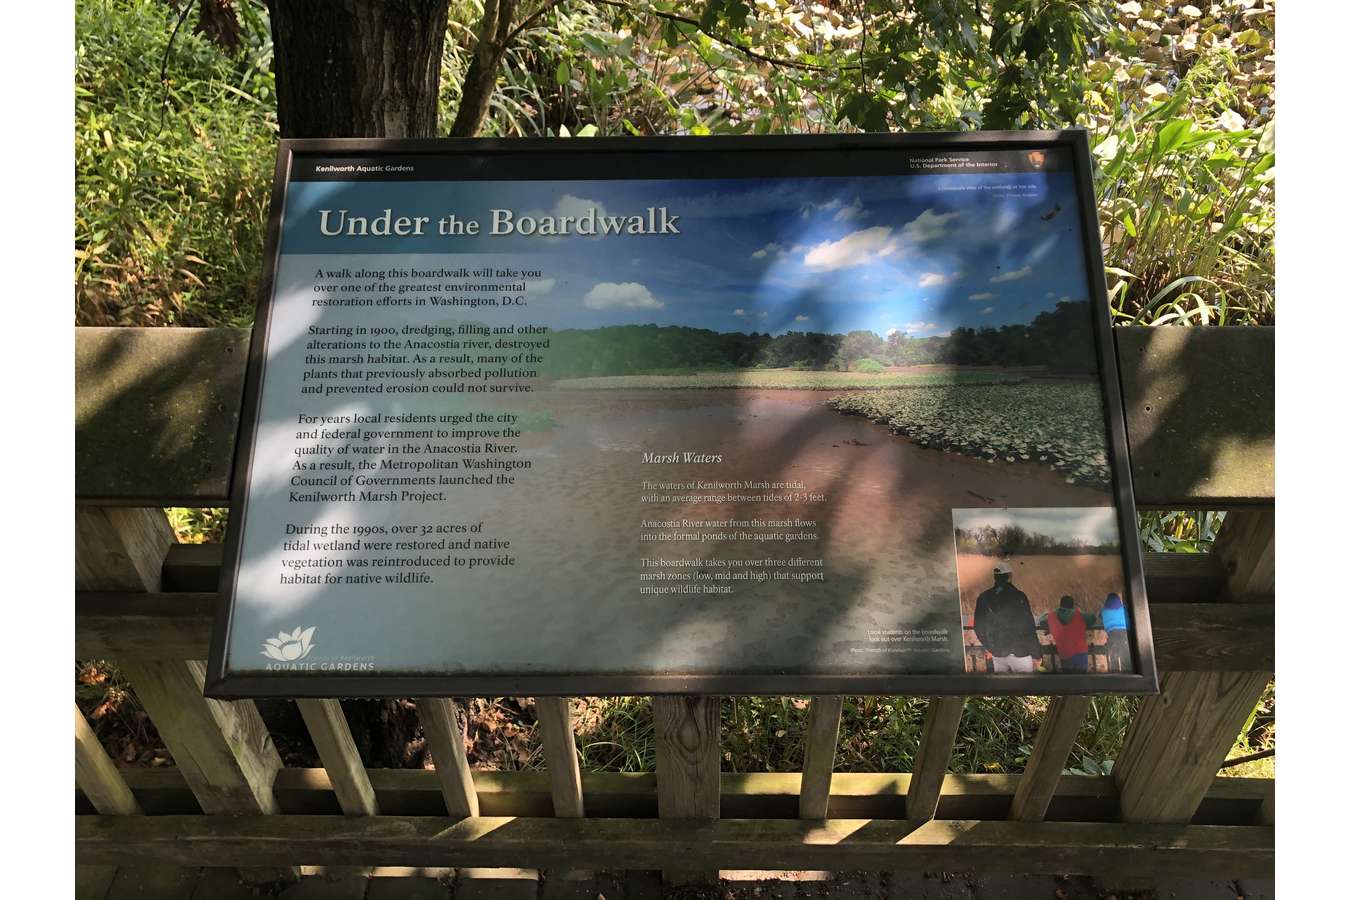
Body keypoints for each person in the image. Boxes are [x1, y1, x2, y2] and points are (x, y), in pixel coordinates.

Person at [972, 562, 1042, 673]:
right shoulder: (1019, 596)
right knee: (1025, 688)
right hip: (1020, 653)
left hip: (998, 654)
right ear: (1009, 576)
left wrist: (990, 647)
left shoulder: (984, 597)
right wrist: (1036, 653)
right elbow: (1028, 626)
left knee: (1003, 688)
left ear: (995, 577)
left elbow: (978, 627)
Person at [1043, 595, 1092, 673]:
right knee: (1082, 681)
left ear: (1060, 605)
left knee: (1069, 682)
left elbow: (1042, 620)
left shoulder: (1051, 617)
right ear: (1072, 606)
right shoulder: (1079, 615)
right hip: (1081, 652)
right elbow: (1093, 618)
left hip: (1065, 654)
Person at [1100, 592, 1130, 672]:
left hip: (1112, 634)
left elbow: (1100, 619)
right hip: (1125, 633)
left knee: (1114, 656)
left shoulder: (1103, 611)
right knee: (1125, 655)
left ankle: (1115, 674)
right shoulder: (1124, 609)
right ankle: (1127, 672)